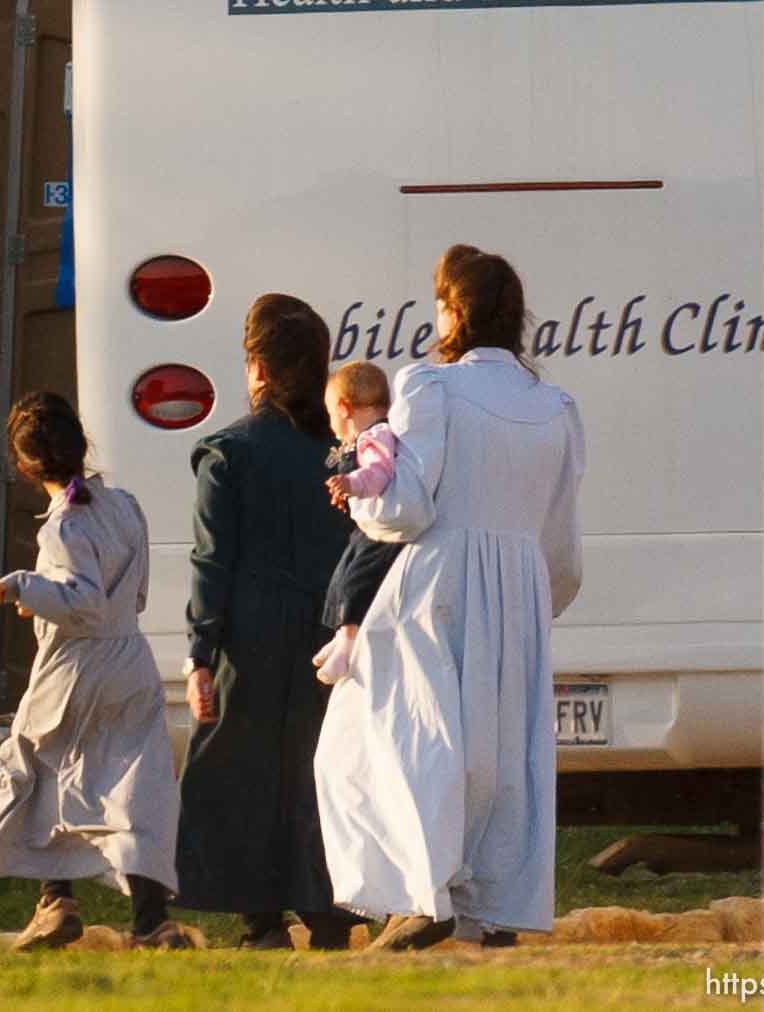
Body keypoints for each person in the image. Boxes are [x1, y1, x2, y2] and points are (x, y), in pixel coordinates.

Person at [314, 245, 585, 951]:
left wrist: (357, 501)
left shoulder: (429, 387)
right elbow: (561, 535)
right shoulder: (555, 405)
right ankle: (490, 906)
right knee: (496, 753)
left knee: (398, 736)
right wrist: (531, 599)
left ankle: (421, 889)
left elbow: (403, 510)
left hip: (439, 580)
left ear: (454, 312)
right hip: (521, 586)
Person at [0, 392, 185, 951]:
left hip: (77, 665)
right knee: (136, 788)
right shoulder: (125, 505)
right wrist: (46, 595)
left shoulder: (62, 529)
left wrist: (22, 587)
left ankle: (58, 898)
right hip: (130, 662)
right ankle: (146, 918)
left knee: (40, 773)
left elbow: (83, 601)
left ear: (24, 467)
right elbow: (128, 592)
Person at [175, 293, 357, 950]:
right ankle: (328, 907)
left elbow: (211, 562)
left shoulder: (229, 453)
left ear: (256, 367)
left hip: (250, 641)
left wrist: (200, 651)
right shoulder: (345, 456)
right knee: (320, 773)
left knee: (242, 777)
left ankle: (260, 919)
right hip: (329, 638)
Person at [312, 361, 405, 685]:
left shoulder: (377, 436)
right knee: (342, 577)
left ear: (343, 408)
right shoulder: (367, 437)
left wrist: (352, 484)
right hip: (366, 528)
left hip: (380, 533)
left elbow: (378, 473)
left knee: (356, 581)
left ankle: (348, 643)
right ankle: (340, 636)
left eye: (330, 413)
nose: (331, 424)